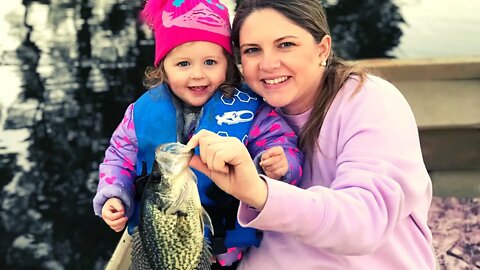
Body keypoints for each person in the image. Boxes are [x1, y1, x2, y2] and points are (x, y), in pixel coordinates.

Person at [186, 0, 435, 269]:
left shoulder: (371, 101)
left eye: (286, 45)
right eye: (253, 50)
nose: (268, 64)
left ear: (322, 48)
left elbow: (365, 222)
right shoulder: (235, 110)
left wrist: (260, 193)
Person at [92, 0, 303, 267]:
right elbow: (118, 158)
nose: (198, 74)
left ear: (227, 64)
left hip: (229, 254)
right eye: (183, 64)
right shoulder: (140, 114)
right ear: (163, 68)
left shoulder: (252, 110)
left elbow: (280, 142)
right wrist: (113, 194)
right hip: (162, 241)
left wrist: (280, 165)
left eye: (210, 62)